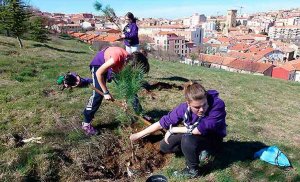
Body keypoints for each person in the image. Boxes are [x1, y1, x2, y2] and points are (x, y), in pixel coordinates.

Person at [130, 82, 227, 178]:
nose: (201, 109)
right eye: (197, 107)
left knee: (187, 139)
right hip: (194, 135)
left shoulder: (217, 105)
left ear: (206, 98)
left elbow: (199, 130)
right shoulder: (183, 108)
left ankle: (192, 170)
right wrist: (137, 135)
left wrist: (173, 130)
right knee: (165, 146)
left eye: (204, 105)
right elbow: (161, 123)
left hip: (213, 137)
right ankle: (194, 150)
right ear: (188, 103)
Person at [82, 47, 150, 135]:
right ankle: (86, 123)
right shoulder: (116, 58)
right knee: (98, 95)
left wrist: (125, 100)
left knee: (131, 90)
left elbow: (126, 89)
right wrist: (106, 92)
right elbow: (99, 73)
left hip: (116, 67)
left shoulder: (129, 62)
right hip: (99, 65)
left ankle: (140, 114)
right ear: (132, 65)